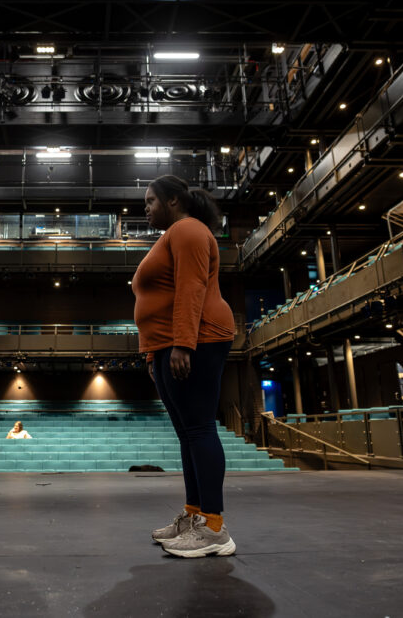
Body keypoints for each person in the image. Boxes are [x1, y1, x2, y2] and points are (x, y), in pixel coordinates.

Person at [132, 174, 237, 558]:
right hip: (168, 344)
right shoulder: (172, 234)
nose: (145, 207)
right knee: (187, 434)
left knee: (199, 428)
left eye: (150, 200)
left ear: (173, 200)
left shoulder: (189, 230)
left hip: (200, 338)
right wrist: (153, 353)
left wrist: (183, 344)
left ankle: (214, 527)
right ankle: (194, 515)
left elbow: (192, 288)